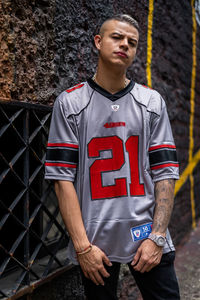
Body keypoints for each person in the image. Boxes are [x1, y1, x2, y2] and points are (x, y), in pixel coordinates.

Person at [45, 14, 180, 300]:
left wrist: (156, 238)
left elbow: (165, 172)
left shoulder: (151, 102)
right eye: (116, 37)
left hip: (146, 233)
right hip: (95, 241)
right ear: (98, 41)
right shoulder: (70, 103)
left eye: (132, 42)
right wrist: (82, 247)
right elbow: (61, 177)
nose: (124, 45)